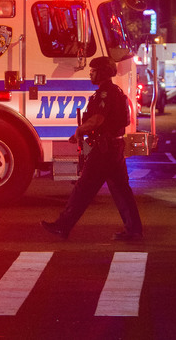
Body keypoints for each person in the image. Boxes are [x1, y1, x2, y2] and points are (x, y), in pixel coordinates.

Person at [41, 56, 143, 241]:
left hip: (104, 150)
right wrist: (80, 134)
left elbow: (99, 119)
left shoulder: (106, 94)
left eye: (93, 71)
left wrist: (80, 129)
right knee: (121, 190)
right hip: (113, 147)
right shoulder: (114, 92)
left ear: (103, 72)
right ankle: (134, 229)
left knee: (83, 188)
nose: (90, 73)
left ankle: (63, 226)